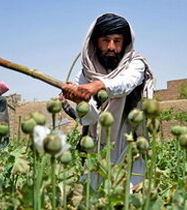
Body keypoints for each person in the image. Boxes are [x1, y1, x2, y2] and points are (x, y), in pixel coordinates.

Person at [62, 13, 154, 187]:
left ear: (125, 42)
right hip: (97, 144)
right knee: (94, 194)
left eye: (117, 40)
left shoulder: (135, 64)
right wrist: (80, 102)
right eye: (106, 40)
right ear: (95, 41)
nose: (111, 46)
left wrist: (99, 85)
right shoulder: (85, 73)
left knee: (129, 193)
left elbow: (125, 84)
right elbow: (90, 117)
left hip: (129, 140)